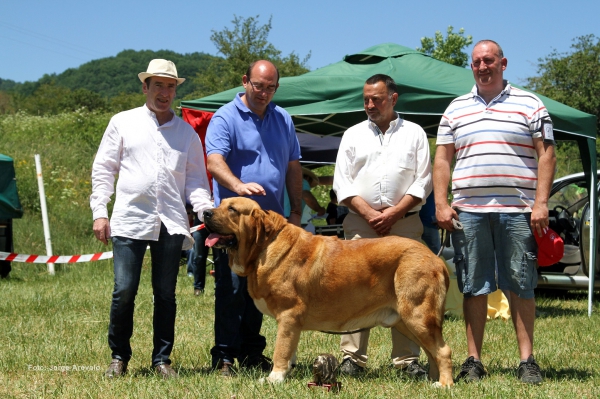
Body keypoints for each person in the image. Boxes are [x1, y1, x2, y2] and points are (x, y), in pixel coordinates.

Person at [433, 40, 556, 385]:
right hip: (468, 212)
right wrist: (441, 203)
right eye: (476, 62)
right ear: (471, 67)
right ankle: (473, 361)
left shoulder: (530, 104)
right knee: (473, 286)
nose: (482, 66)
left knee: (521, 284)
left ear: (503, 63)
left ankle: (527, 361)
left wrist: (541, 202)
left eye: (489, 60)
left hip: (519, 210)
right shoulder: (455, 108)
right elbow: (442, 158)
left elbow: (546, 154)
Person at [90, 59, 213, 379]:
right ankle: (119, 357)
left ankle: (162, 359)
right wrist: (100, 212)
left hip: (171, 222)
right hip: (130, 218)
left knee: (165, 293)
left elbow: (197, 182)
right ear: (145, 87)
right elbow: (104, 169)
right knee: (124, 290)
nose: (164, 92)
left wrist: (205, 212)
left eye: (170, 86)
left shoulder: (186, 133)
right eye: (158, 85)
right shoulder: (122, 122)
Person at [205, 60, 303, 377]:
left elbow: (293, 167)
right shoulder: (225, 117)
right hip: (234, 225)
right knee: (232, 291)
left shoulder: (283, 118)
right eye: (258, 86)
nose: (264, 93)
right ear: (245, 81)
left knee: (260, 290)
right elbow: (214, 161)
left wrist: (297, 210)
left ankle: (250, 353)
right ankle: (225, 358)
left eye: (270, 87)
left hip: (270, 228)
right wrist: (238, 186)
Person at [333, 74, 432, 379]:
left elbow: (423, 181)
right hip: (360, 226)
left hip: (404, 225)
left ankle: (407, 360)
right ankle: (352, 358)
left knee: (407, 292)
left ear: (393, 98)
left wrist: (392, 213)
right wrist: (370, 214)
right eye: (365, 99)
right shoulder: (352, 134)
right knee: (354, 290)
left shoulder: (415, 134)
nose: (369, 104)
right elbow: (341, 183)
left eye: (376, 98)